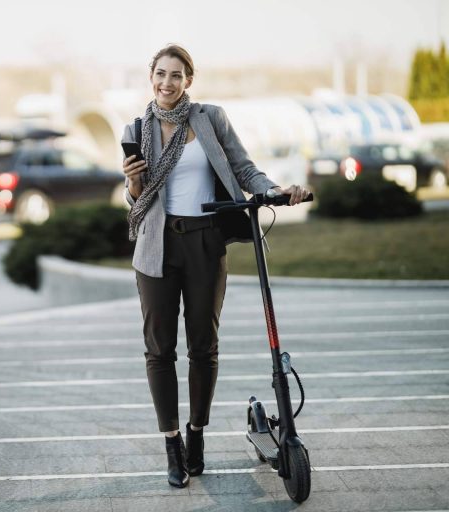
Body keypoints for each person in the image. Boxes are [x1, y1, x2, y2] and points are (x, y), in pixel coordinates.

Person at [121, 44, 309, 488]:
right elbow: (137, 201)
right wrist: (132, 181)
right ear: (151, 76)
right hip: (156, 246)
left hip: (206, 241)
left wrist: (276, 190)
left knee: (204, 345)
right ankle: (172, 444)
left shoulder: (209, 118)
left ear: (190, 80)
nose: (167, 83)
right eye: (161, 74)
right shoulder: (136, 128)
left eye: (177, 75)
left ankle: (197, 434)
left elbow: (244, 169)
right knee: (159, 349)